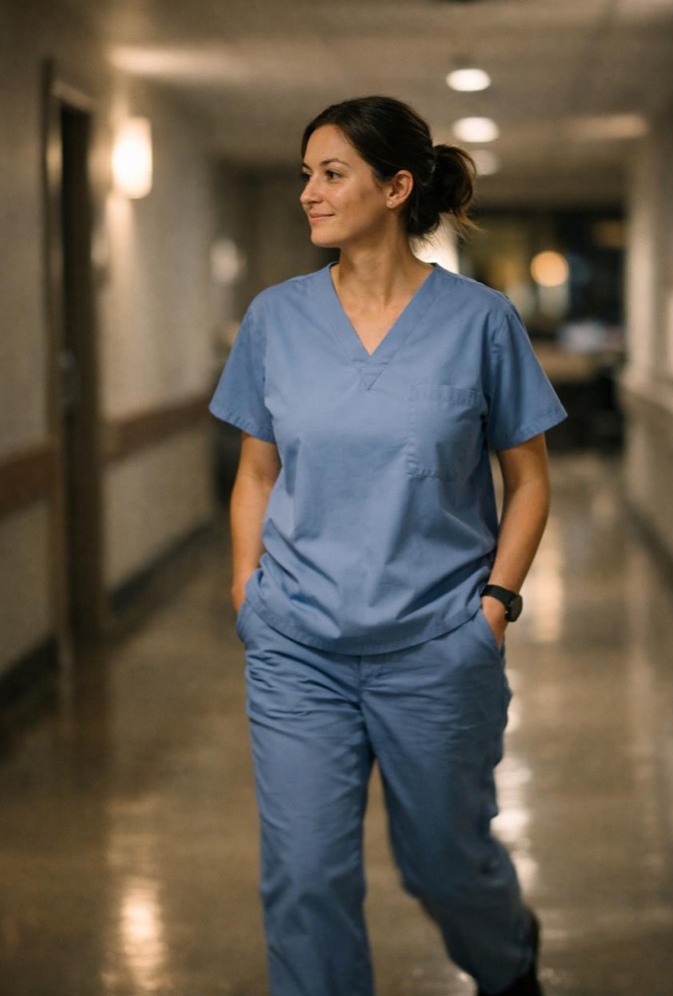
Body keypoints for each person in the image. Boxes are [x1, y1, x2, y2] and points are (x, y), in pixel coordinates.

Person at [210, 95, 566, 996]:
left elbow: (528, 481)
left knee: (444, 867)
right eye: (305, 176)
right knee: (304, 881)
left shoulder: (480, 322)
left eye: (332, 174)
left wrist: (494, 608)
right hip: (297, 644)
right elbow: (255, 474)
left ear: (397, 187)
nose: (309, 194)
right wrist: (248, 593)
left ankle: (507, 960)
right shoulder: (276, 320)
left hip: (437, 644)